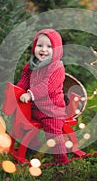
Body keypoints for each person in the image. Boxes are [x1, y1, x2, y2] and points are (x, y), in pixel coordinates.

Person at [16, 29, 69, 165]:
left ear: (56, 50)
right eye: (40, 46)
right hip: (34, 107)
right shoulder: (31, 65)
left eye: (49, 46)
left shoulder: (57, 67)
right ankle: (34, 146)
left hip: (51, 110)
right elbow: (25, 80)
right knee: (23, 123)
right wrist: (17, 91)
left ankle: (61, 160)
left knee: (53, 132)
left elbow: (47, 86)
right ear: (34, 47)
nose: (43, 50)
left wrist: (30, 94)